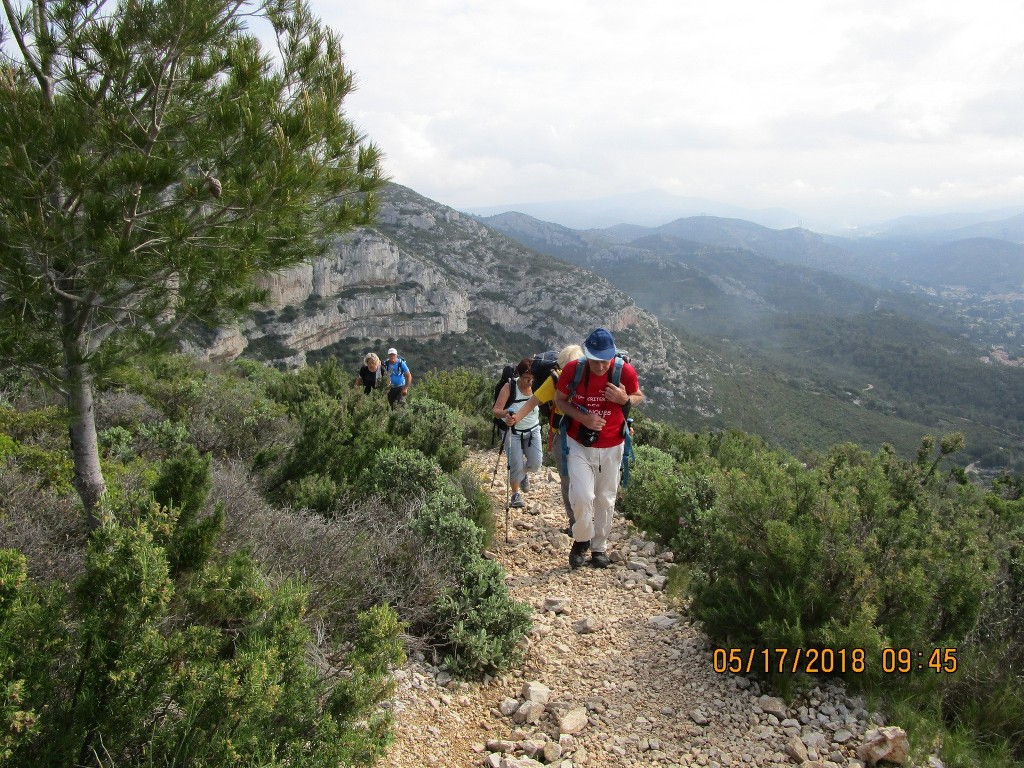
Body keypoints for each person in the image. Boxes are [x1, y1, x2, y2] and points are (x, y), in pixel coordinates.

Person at [554, 328, 642, 569]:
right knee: (582, 496)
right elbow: (559, 400)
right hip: (579, 442)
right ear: (587, 354)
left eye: (605, 360)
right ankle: (582, 539)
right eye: (596, 360)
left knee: (605, 498)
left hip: (613, 444)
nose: (601, 366)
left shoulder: (623, 370)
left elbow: (638, 395)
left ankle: (599, 547)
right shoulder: (574, 370)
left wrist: (625, 400)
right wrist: (582, 418)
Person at [505, 344, 583, 533]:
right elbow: (533, 402)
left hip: (580, 437)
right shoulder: (555, 380)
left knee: (576, 481)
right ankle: (576, 524)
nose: (567, 373)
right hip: (562, 436)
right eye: (564, 369)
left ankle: (581, 522)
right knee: (567, 480)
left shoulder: (586, 378)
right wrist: (515, 418)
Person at [492, 358, 542, 509]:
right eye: (527, 378)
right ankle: (515, 495)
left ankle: (522, 474)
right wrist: (506, 413)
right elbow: (495, 411)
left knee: (536, 464)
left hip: (533, 429)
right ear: (519, 375)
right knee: (514, 464)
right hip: (511, 432)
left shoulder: (537, 386)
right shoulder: (509, 386)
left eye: (532, 378)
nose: (530, 382)